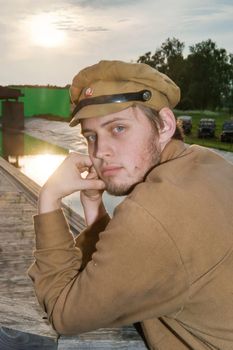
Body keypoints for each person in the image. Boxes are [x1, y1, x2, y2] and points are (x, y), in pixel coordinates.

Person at [28, 60, 233, 349]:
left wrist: (48, 199)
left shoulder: (152, 215)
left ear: (164, 125)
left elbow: (63, 312)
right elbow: (122, 264)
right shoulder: (208, 163)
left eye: (118, 129)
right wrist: (94, 207)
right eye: (91, 137)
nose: (100, 152)